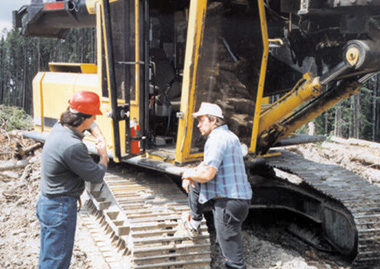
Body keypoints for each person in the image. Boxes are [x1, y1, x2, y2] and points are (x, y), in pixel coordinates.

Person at [36, 91, 109, 269]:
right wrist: (103, 155)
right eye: (93, 117)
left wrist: (98, 134)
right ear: (85, 119)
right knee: (56, 263)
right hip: (60, 208)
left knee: (49, 257)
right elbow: (96, 175)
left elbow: (90, 123)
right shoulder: (73, 146)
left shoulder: (60, 127)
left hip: (48, 204)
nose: (94, 120)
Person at [181, 102, 252, 269]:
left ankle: (195, 223)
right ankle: (195, 222)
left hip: (228, 203)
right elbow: (206, 165)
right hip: (238, 200)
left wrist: (187, 174)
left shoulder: (215, 139)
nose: (198, 125)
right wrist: (192, 173)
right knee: (195, 184)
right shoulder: (229, 136)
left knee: (232, 257)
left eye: (201, 120)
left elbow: (207, 174)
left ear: (213, 120)